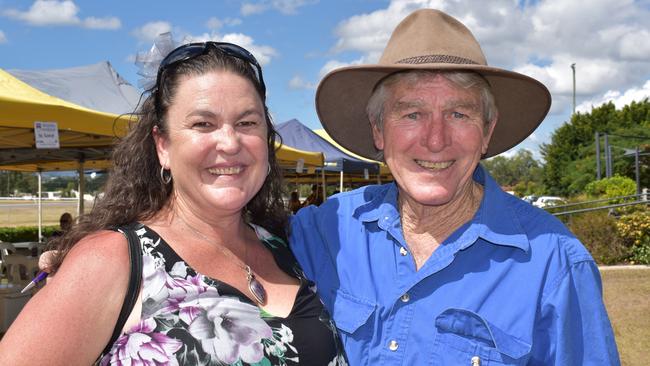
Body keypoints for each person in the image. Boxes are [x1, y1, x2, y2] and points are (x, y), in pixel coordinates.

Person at [291, 9, 620, 365]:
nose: (436, 140)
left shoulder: (554, 263)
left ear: (487, 132)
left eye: (459, 114)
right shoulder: (323, 230)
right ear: (378, 131)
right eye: (412, 114)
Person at [0, 35, 345, 365]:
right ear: (163, 146)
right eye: (203, 123)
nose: (229, 142)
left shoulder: (287, 245)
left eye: (247, 122)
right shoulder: (110, 260)